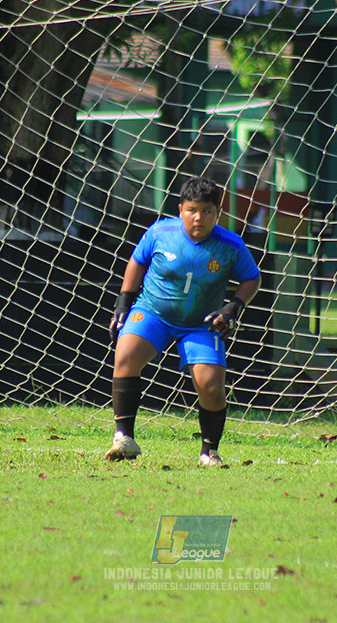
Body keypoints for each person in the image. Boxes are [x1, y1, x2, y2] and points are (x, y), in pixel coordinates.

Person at [106, 177, 261, 466]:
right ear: (180, 210)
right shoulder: (160, 232)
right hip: (153, 313)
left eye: (206, 211)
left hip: (200, 324)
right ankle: (124, 438)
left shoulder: (231, 245)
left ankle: (209, 451)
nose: (198, 217)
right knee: (125, 355)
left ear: (218, 213)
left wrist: (232, 308)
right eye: (191, 210)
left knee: (211, 387)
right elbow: (137, 261)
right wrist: (123, 304)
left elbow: (252, 278)